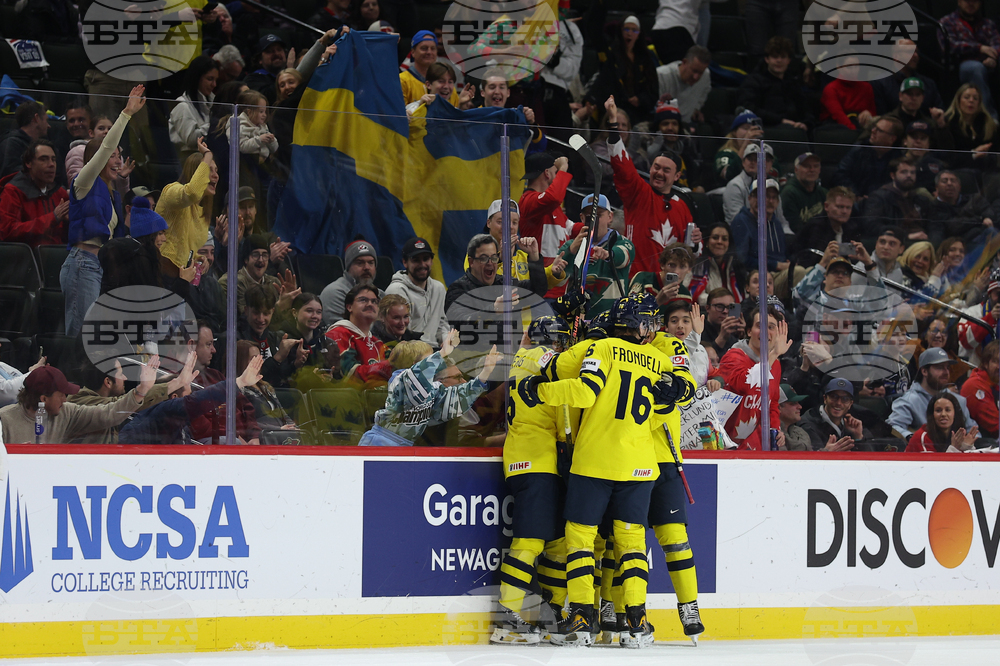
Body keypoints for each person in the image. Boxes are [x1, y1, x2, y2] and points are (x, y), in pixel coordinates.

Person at [527, 294, 693, 647]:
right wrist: (676, 389)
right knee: (632, 543)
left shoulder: (601, 349)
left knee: (581, 539)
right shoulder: (658, 358)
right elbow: (682, 395)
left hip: (595, 462)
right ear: (645, 327)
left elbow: (584, 394)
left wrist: (540, 390)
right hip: (639, 467)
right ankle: (636, 623)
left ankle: (583, 619)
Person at [491, 316, 571, 645]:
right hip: (540, 461)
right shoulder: (553, 364)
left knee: (555, 543)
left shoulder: (516, 361)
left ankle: (549, 615)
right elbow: (566, 421)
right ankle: (506, 617)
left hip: (524, 459)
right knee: (531, 542)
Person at [62, 86, 144, 338]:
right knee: (81, 337)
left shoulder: (112, 194)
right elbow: (106, 147)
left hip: (100, 267)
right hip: (83, 264)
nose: (117, 160)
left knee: (97, 339)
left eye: (119, 156)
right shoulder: (83, 181)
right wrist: (126, 114)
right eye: (113, 156)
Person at [604, 95, 701, 278]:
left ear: (677, 176)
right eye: (656, 167)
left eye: (666, 170)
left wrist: (696, 243)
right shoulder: (638, 191)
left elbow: (691, 253)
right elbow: (621, 164)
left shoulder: (682, 206)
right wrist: (613, 122)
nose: (659, 173)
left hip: (667, 284)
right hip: (635, 281)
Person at [361, 332, 501, 446]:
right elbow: (415, 380)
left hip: (405, 446)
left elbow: (454, 399)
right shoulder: (400, 381)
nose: (437, 361)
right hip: (378, 443)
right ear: (417, 364)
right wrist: (442, 353)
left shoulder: (431, 388)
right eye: (431, 358)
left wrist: (484, 374)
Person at [0, 361, 157, 444]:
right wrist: (12, 455)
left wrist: (141, 390)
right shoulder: (4, 420)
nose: (65, 399)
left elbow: (108, 414)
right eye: (61, 394)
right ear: (43, 399)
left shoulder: (67, 412)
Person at [718, 303, 789, 450]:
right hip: (726, 445)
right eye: (759, 326)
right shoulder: (734, 356)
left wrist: (775, 429)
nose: (765, 332)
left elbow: (772, 403)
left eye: (771, 327)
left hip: (755, 447)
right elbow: (745, 384)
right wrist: (774, 355)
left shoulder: (775, 365)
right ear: (749, 331)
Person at [98, 197, 198, 293]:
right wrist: (183, 281)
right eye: (159, 233)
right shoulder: (141, 262)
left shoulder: (130, 258)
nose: (164, 239)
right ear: (148, 236)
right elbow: (156, 306)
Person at [556, 193, 634, 315]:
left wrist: (609, 254)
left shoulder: (621, 242)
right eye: (589, 215)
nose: (593, 220)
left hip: (611, 320)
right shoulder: (571, 245)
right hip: (577, 321)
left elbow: (623, 257)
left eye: (598, 215)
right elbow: (558, 280)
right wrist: (571, 251)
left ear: (610, 216)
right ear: (581, 218)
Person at [466, 199, 563, 295]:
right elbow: (479, 282)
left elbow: (539, 287)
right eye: (501, 221)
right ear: (488, 223)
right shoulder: (477, 254)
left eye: (514, 223)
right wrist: (500, 259)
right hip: (492, 309)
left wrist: (552, 270)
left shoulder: (523, 256)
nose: (509, 226)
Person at [157, 139, 218, 278]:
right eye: (209, 169)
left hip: (181, 276)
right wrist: (207, 155)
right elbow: (193, 192)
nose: (216, 175)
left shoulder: (200, 211)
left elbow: (185, 246)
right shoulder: (172, 191)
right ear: (196, 172)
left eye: (216, 170)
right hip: (162, 270)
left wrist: (197, 257)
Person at [888, 348, 979, 439]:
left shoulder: (958, 400)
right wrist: (913, 438)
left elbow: (973, 431)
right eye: (939, 367)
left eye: (947, 367)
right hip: (924, 451)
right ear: (924, 371)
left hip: (956, 451)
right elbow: (893, 427)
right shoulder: (909, 400)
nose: (946, 372)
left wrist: (971, 442)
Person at [445, 232, 546, 313]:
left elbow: (537, 290)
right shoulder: (459, 289)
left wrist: (534, 256)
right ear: (471, 262)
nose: (490, 263)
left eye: (494, 258)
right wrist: (494, 309)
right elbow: (461, 322)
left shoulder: (505, 284)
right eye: (484, 258)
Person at [591, 15, 660, 125]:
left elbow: (653, 88)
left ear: (639, 34)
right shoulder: (612, 55)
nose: (629, 33)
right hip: (616, 108)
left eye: (634, 30)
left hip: (639, 112)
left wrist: (640, 99)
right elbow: (605, 83)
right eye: (626, 29)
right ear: (620, 31)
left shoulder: (646, 58)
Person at [0, 139, 69, 246]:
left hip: (58, 258)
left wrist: (70, 222)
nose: (51, 164)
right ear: (28, 163)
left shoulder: (60, 193)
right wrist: (52, 218)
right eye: (43, 159)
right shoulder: (12, 192)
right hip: (26, 259)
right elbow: (8, 231)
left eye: (53, 159)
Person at [940, 0, 1000, 118]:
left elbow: (997, 44)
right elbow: (951, 46)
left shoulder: (988, 23)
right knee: (975, 68)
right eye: (967, 0)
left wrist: (994, 57)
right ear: (959, 2)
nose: (971, 3)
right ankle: (988, 116)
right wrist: (979, 48)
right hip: (961, 64)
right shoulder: (947, 22)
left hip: (988, 62)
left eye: (975, 1)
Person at [385, 237, 450, 347]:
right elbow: (401, 333)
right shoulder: (396, 290)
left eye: (426, 259)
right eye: (416, 260)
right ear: (405, 262)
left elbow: (442, 324)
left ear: (431, 261)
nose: (422, 264)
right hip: (408, 352)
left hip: (435, 352)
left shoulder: (438, 288)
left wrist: (446, 341)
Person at [736, 37, 813, 130]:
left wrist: (805, 123)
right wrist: (780, 120)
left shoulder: (793, 83)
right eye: (775, 56)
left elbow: (805, 109)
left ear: (789, 60)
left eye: (783, 57)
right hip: (764, 129)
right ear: (767, 59)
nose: (779, 60)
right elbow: (748, 108)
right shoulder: (753, 81)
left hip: (793, 130)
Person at [326, 283, 392, 383]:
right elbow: (350, 375)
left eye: (374, 301)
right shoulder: (338, 334)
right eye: (363, 300)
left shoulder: (377, 342)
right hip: (349, 397)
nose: (370, 304)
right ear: (349, 307)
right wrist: (390, 364)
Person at [218, 234, 296, 318]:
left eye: (265, 255)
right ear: (246, 259)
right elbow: (248, 319)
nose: (261, 260)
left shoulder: (274, 283)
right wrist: (280, 307)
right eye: (255, 255)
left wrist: (292, 302)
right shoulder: (231, 282)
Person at [518, 152, 573, 260]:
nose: (558, 176)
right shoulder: (528, 200)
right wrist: (563, 168)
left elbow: (570, 228)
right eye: (556, 172)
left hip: (558, 273)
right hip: (539, 272)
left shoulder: (551, 205)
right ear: (547, 173)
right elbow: (554, 197)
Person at [860, 157, 928, 242]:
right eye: (904, 172)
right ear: (892, 175)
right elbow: (872, 225)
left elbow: (934, 225)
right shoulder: (879, 198)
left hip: (923, 243)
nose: (909, 175)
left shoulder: (920, 199)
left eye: (912, 172)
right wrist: (906, 236)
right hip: (895, 242)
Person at [834, 115, 904, 197]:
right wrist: (856, 195)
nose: (873, 131)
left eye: (879, 130)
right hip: (856, 200)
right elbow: (840, 175)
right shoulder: (859, 150)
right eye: (874, 127)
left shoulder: (899, 160)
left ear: (892, 138)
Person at [730, 179, 788, 275]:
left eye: (774, 197)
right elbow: (741, 260)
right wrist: (776, 265)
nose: (770, 201)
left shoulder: (776, 223)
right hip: (757, 276)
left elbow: (783, 254)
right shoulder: (741, 221)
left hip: (779, 273)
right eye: (765, 196)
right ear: (750, 198)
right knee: (799, 273)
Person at [168, 56, 219, 162]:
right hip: (188, 160)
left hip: (209, 157)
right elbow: (191, 140)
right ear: (196, 78)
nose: (214, 84)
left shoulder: (213, 102)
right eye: (210, 79)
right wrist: (215, 124)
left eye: (215, 80)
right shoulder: (182, 105)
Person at [320, 240, 383, 325]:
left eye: (371, 263)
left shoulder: (381, 295)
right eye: (360, 263)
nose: (367, 267)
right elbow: (341, 331)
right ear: (349, 267)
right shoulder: (335, 292)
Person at [798, 378, 872, 452]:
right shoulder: (808, 426)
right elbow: (810, 461)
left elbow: (870, 460)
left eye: (845, 399)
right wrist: (827, 452)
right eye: (834, 397)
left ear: (850, 404)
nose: (839, 403)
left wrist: (858, 437)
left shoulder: (852, 424)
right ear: (825, 399)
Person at [795, 187, 862, 264]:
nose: (844, 211)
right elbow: (812, 261)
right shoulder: (816, 226)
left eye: (848, 208)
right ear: (826, 206)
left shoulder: (852, 227)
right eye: (840, 207)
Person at [722, 142, 782, 225]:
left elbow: (781, 221)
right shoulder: (735, 185)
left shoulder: (771, 186)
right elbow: (738, 221)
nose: (752, 162)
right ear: (743, 162)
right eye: (750, 159)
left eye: (756, 159)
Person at [885, 78, 954, 151]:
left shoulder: (929, 123)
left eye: (918, 94)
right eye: (909, 94)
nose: (914, 98)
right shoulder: (889, 121)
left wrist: (941, 125)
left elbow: (948, 150)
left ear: (923, 98)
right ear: (900, 96)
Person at [400, 31, 463, 107]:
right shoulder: (402, 80)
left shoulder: (447, 86)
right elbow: (399, 114)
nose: (429, 52)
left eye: (433, 48)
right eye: (424, 48)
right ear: (413, 52)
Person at [943, 83, 997, 170]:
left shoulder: (989, 124)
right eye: (967, 97)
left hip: (985, 171)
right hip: (957, 171)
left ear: (979, 103)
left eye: (975, 98)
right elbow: (948, 156)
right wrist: (973, 154)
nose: (971, 101)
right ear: (958, 100)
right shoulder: (949, 123)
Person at [688, 224, 745, 305]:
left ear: (729, 244)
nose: (719, 242)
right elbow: (694, 296)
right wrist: (722, 303)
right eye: (715, 238)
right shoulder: (696, 266)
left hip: (735, 313)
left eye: (724, 239)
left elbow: (744, 294)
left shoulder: (736, 267)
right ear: (707, 242)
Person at [630, 243, 694, 313]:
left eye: (682, 267)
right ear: (662, 265)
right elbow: (629, 314)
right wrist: (658, 301)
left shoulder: (685, 296)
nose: (676, 271)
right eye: (672, 265)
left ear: (689, 269)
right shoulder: (643, 280)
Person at [655, 45, 712, 125]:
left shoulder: (705, 75)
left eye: (700, 73)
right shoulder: (661, 76)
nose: (696, 77)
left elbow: (705, 92)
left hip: (687, 126)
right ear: (684, 62)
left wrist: (696, 108)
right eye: (694, 71)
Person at [906, 391, 980, 452]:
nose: (943, 414)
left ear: (955, 413)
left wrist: (967, 447)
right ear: (932, 414)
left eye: (948, 410)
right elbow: (933, 468)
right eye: (938, 410)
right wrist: (954, 449)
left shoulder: (958, 434)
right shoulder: (922, 437)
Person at [713, 111, 765, 187]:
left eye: (753, 129)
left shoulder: (765, 154)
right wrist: (745, 143)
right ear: (734, 132)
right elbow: (727, 175)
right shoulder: (725, 153)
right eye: (746, 128)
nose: (750, 132)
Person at [0, 101, 50, 179]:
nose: (48, 125)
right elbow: (10, 174)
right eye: (46, 120)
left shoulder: (40, 145)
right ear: (36, 118)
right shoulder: (11, 144)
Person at [780, 153, 827, 235]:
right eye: (807, 166)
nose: (812, 170)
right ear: (796, 169)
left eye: (815, 166)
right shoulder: (789, 193)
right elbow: (795, 228)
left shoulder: (823, 192)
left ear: (819, 170)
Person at [960, 339, 999, 438]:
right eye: (997, 362)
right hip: (979, 446)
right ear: (985, 363)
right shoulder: (975, 386)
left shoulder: (994, 382)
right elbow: (995, 426)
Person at [819, 62, 875, 130]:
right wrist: (855, 131)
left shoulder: (866, 87)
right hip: (837, 128)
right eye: (849, 67)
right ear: (839, 67)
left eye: (856, 67)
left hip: (862, 127)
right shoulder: (831, 89)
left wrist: (868, 113)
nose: (853, 71)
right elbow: (838, 116)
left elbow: (873, 112)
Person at [404, 61, 473, 116]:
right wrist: (420, 108)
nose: (446, 86)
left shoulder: (453, 111)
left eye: (450, 82)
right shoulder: (413, 108)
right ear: (428, 85)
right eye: (441, 81)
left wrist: (460, 106)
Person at [244, 34, 289, 105]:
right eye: (269, 51)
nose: (276, 53)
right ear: (260, 59)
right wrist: (290, 74)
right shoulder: (253, 79)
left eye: (279, 49)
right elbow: (268, 98)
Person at [238, 90, 278, 163]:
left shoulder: (263, 126)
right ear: (249, 112)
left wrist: (272, 141)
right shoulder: (240, 125)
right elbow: (242, 146)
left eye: (265, 112)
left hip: (263, 164)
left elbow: (274, 149)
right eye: (261, 111)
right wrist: (259, 140)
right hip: (248, 164)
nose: (264, 115)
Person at [702, 287, 744, 352]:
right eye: (719, 306)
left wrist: (743, 338)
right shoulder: (698, 330)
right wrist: (722, 338)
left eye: (729, 307)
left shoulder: (733, 331)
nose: (725, 311)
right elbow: (703, 358)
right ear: (708, 308)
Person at [777, 384, 810, 451]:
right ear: (778, 407)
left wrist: (826, 451)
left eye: (798, 402)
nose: (800, 407)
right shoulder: (770, 434)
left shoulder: (801, 432)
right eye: (793, 403)